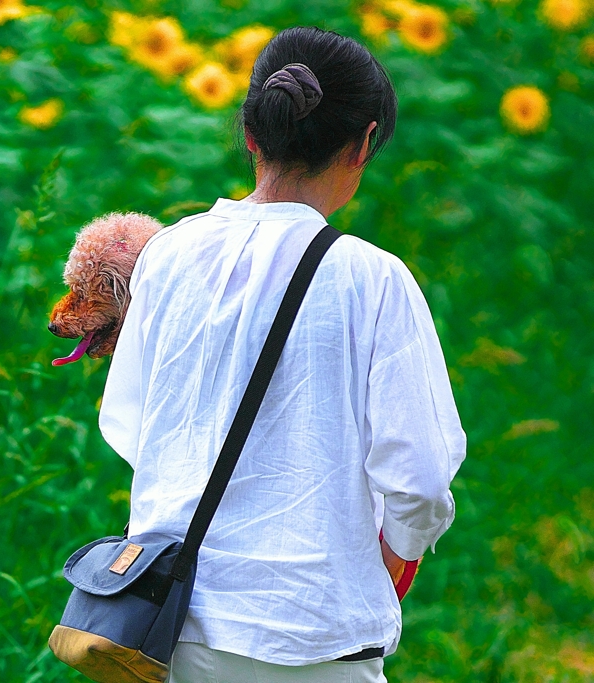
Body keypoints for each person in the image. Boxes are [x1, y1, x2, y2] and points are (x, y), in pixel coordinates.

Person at [98, 26, 467, 683]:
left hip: (170, 625)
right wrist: (393, 559)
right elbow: (420, 477)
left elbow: (131, 426)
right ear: (363, 145)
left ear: (251, 133)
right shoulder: (372, 280)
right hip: (315, 636)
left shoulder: (169, 255)